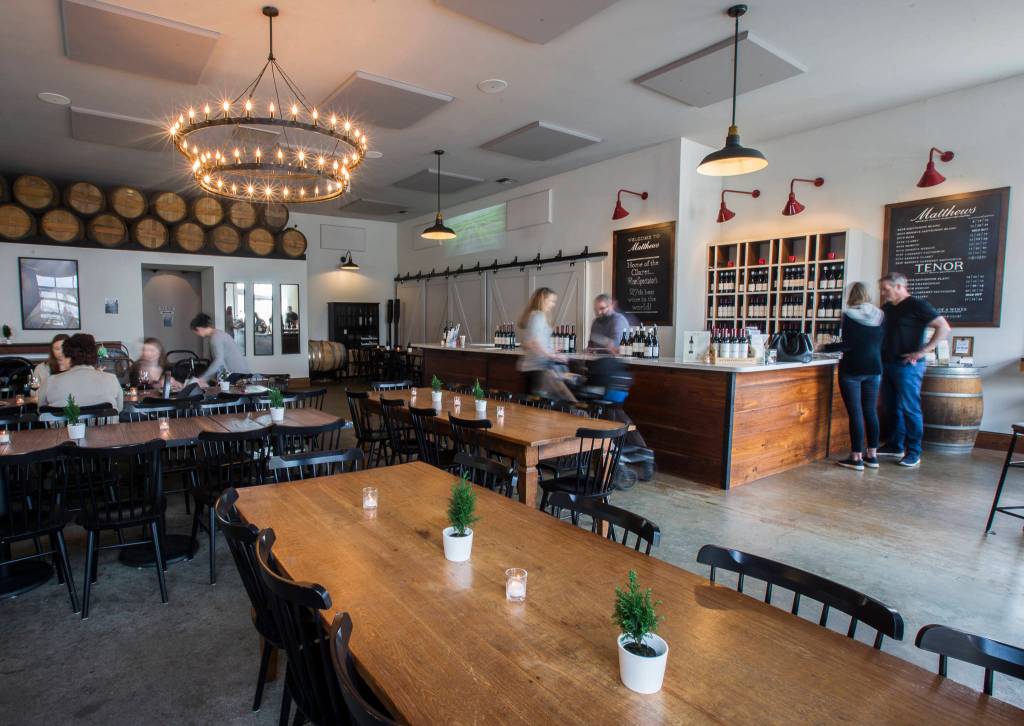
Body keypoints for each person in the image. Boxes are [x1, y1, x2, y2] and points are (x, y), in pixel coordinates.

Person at [877, 272, 951, 468]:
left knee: (910, 408)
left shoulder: (918, 305)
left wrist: (923, 351)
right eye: (882, 290)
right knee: (891, 407)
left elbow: (943, 327)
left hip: (908, 366)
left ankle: (914, 452)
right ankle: (895, 445)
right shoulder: (886, 309)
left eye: (886, 289)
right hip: (887, 363)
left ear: (900, 287)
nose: (883, 293)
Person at [820, 283, 884, 471]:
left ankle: (856, 457)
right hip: (874, 368)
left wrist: (823, 347)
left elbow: (848, 344)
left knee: (855, 413)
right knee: (870, 411)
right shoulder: (880, 315)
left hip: (853, 369)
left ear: (851, 295)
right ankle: (872, 455)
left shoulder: (849, 315)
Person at [517, 287, 575, 401]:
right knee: (551, 405)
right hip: (539, 368)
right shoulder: (538, 316)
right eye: (551, 301)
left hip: (534, 367)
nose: (553, 304)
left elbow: (527, 343)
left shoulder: (534, 315)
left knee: (538, 406)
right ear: (543, 299)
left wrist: (552, 350)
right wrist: (552, 355)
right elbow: (533, 342)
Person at [39, 333, 124, 412]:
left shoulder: (50, 382)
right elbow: (119, 409)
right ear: (94, 354)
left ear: (68, 355)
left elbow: (41, 411)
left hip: (63, 428)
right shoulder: (111, 379)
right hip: (104, 428)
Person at [190, 312, 251, 385]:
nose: (198, 335)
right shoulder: (218, 334)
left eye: (196, 332)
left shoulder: (215, 338)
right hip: (240, 373)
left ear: (199, 329)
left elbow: (218, 361)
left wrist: (203, 378)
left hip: (238, 376)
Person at [32, 333, 70, 399]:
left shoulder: (78, 367)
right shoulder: (40, 368)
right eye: (57, 349)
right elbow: (32, 392)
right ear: (52, 350)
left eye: (64, 348)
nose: (61, 352)